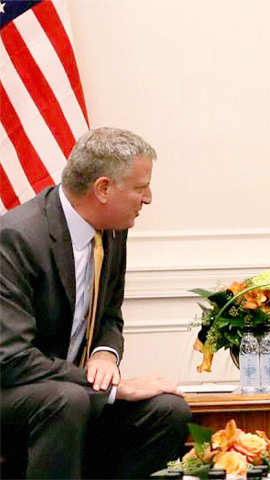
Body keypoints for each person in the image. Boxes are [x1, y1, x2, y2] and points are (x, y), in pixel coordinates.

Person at [0, 128, 191, 478]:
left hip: (69, 392)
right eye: (139, 187)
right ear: (103, 188)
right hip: (15, 395)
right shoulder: (16, 238)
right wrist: (114, 389)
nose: (147, 198)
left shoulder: (113, 229)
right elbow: (10, 358)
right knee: (66, 402)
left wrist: (105, 352)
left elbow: (109, 316)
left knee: (169, 411)